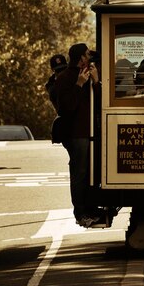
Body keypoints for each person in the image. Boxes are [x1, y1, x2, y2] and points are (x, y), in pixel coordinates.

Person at [52, 43, 103, 228]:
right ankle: (80, 213)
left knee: (92, 171)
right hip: (76, 133)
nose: (89, 57)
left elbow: (100, 103)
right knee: (80, 173)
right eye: (87, 54)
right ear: (81, 58)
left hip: (91, 132)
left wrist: (96, 81)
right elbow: (67, 107)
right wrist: (79, 84)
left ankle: (92, 208)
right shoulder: (65, 78)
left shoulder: (90, 73)